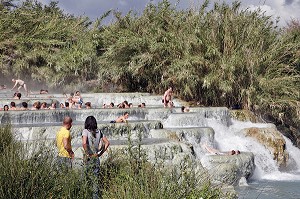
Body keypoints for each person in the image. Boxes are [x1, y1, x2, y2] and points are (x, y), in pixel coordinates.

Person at [82, 116, 110, 199]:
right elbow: (107, 143)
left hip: (88, 158)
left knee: (86, 178)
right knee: (95, 180)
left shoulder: (85, 131)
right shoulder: (99, 131)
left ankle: (86, 195)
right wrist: (100, 153)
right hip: (96, 157)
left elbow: (84, 143)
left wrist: (88, 154)